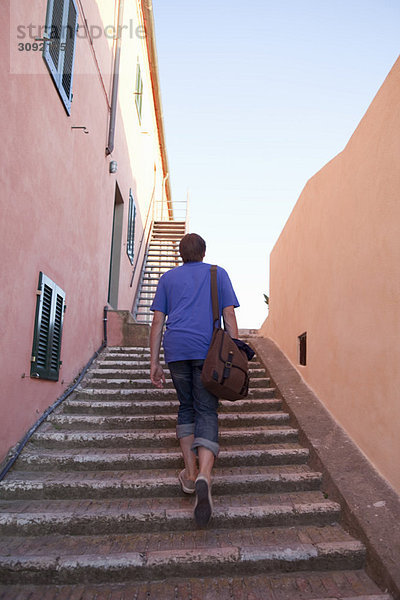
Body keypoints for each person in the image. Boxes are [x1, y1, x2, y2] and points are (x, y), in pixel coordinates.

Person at [150, 233, 239, 526]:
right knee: (206, 409)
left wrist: (154, 362)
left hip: (176, 350)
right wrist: (234, 355)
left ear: (180, 254)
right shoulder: (218, 273)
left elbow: (157, 322)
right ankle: (205, 474)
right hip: (208, 351)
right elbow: (228, 315)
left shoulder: (167, 279)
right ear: (203, 252)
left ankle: (189, 476)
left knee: (186, 406)